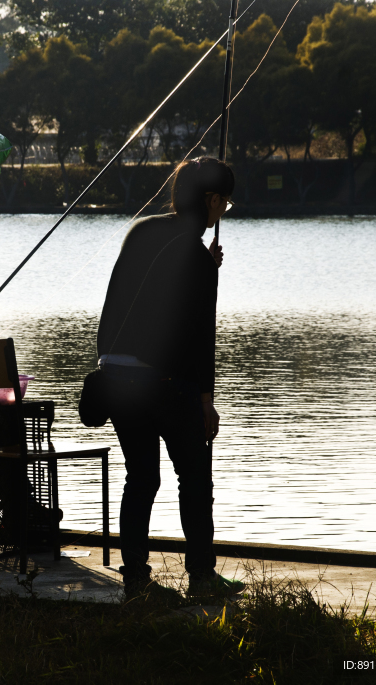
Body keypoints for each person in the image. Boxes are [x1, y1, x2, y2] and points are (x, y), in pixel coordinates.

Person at [96, 157, 242, 602]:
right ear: (212, 199)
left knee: (140, 478)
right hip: (161, 381)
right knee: (195, 477)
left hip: (114, 372)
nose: (223, 211)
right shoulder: (196, 255)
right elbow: (200, 336)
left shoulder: (141, 230)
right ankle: (201, 578)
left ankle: (136, 582)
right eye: (225, 204)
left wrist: (204, 269)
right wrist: (205, 400)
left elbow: (145, 294)